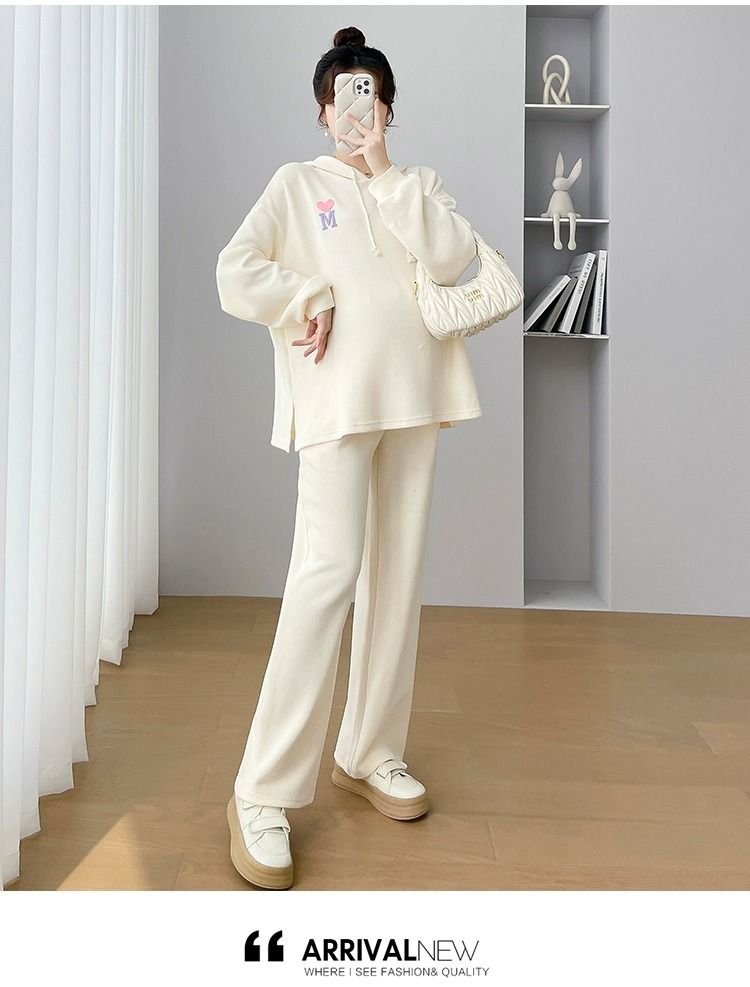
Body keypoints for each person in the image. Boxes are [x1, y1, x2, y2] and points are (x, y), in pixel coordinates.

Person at [215, 25, 482, 890]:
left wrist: (386, 172)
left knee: (396, 577)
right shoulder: (295, 186)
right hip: (337, 404)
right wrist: (305, 293)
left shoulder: (416, 184)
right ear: (323, 110)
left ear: (388, 108)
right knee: (326, 574)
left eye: (371, 95)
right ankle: (261, 789)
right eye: (344, 97)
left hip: (417, 398)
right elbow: (234, 269)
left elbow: (454, 257)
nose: (357, 110)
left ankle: (370, 750)